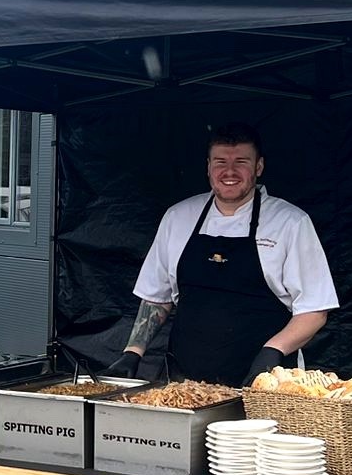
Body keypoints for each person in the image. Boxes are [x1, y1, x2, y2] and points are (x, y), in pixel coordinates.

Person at [106, 122, 338, 386]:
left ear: (258, 167)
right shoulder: (178, 217)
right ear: (208, 167)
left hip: (264, 382)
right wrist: (133, 352)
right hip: (184, 384)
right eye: (220, 162)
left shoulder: (290, 222)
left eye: (241, 162)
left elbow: (314, 310)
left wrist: (272, 352)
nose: (229, 171)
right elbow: (156, 298)